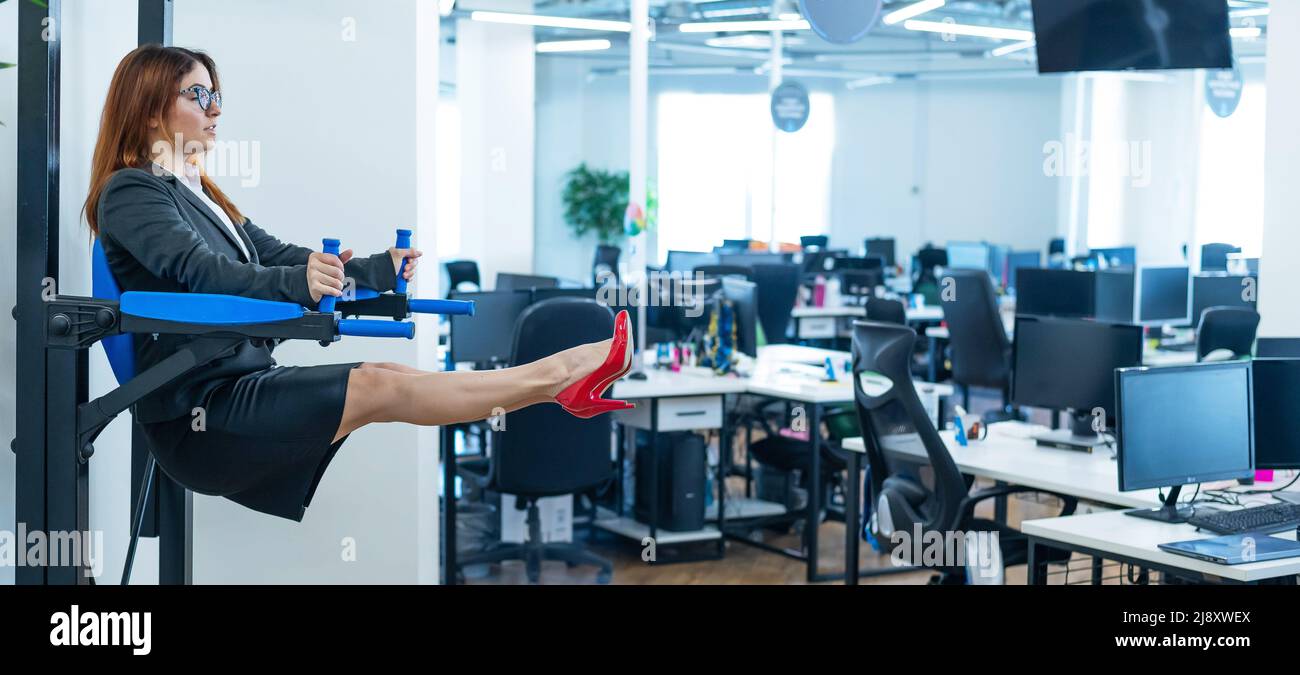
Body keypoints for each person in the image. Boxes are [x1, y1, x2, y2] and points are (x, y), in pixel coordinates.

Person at [82, 45, 631, 522]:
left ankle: (563, 385)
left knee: (386, 375)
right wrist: (300, 280)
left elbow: (276, 257)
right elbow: (203, 272)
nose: (216, 108)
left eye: (215, 94)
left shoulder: (201, 194)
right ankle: (561, 373)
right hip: (198, 415)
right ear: (153, 109)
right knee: (378, 386)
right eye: (198, 96)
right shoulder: (132, 191)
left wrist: (376, 270)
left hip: (239, 383)